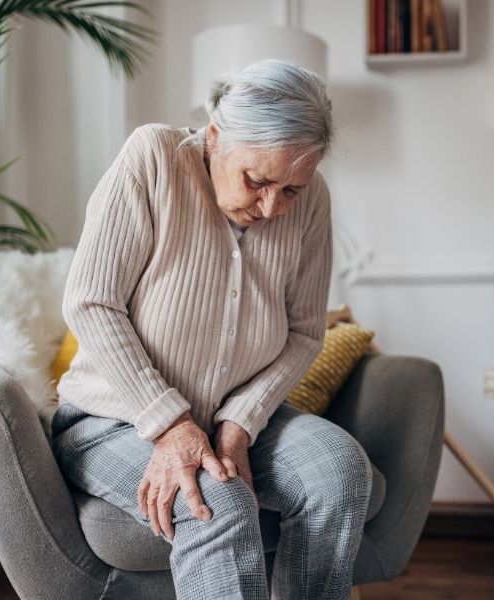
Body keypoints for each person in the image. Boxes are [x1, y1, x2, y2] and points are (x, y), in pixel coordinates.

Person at [49, 59, 373, 600]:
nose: (272, 207)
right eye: (258, 181)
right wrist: (171, 424)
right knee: (215, 501)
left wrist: (241, 421)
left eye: (290, 190)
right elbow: (91, 301)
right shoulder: (154, 155)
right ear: (216, 137)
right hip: (112, 420)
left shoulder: (313, 198)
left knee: (339, 473)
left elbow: (304, 333)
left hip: (236, 416)